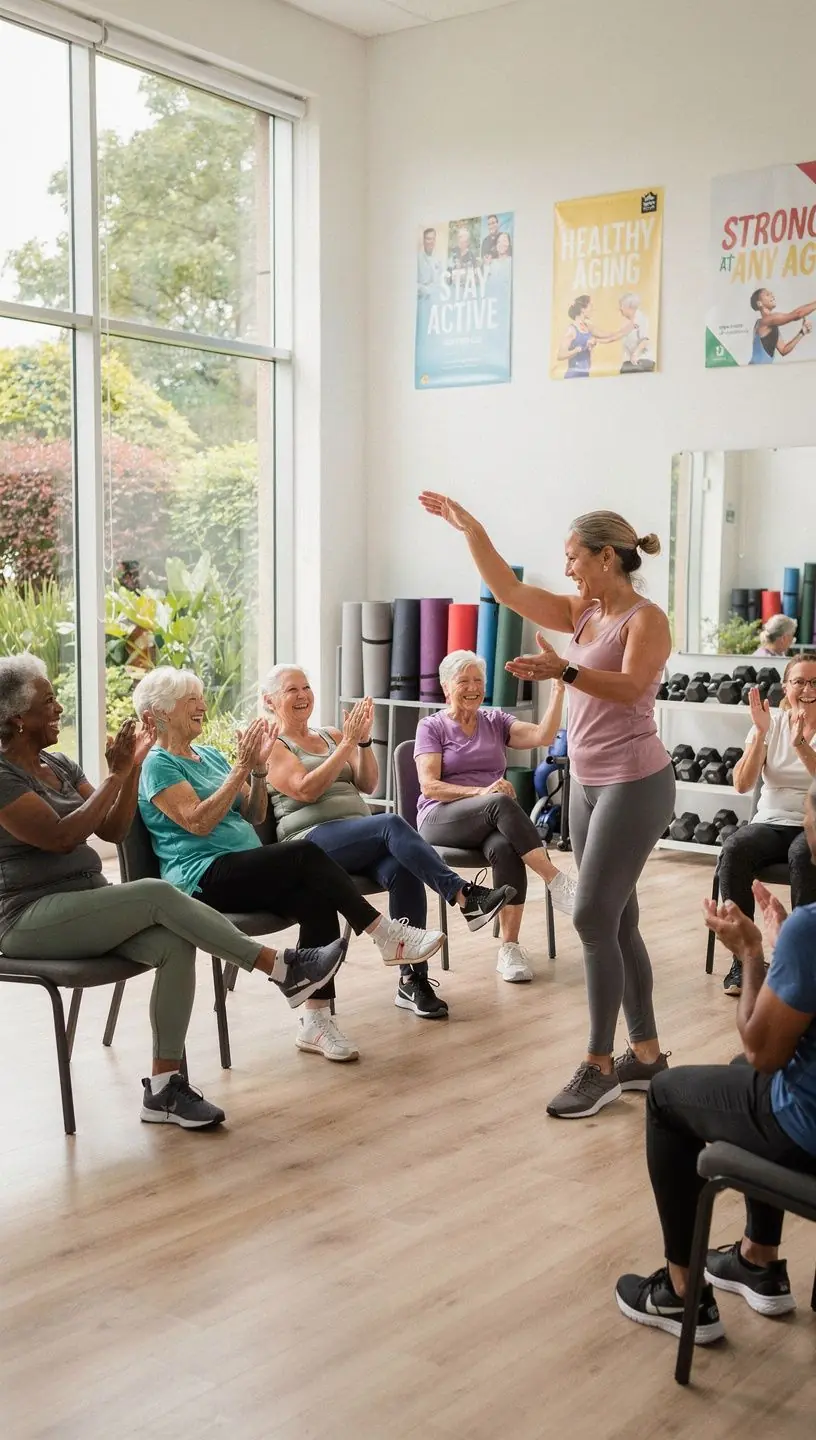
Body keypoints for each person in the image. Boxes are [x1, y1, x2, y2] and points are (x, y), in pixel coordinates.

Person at [0, 655, 345, 1131]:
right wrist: (119, 776)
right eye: (49, 701)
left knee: (174, 942)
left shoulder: (59, 764)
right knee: (156, 894)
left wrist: (131, 769)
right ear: (17, 718)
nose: (59, 707)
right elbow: (62, 836)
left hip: (86, 902)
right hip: (27, 917)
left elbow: (115, 830)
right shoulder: (2, 778)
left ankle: (163, 1089)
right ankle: (280, 967)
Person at [420, 496, 675, 1118]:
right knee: (619, 920)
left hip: (634, 782)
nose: (567, 570)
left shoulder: (645, 619)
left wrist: (565, 673)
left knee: (591, 916)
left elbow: (633, 685)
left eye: (573, 558)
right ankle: (645, 1054)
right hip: (587, 783)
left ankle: (596, 1064)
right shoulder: (582, 615)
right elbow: (506, 587)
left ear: (606, 557)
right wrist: (473, 529)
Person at [133, 667, 449, 1064]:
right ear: (160, 713)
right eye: (190, 700)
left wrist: (258, 770)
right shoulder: (158, 765)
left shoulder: (208, 755)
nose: (202, 705)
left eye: (200, 697)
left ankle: (315, 1022)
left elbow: (254, 813)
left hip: (244, 867)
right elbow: (197, 821)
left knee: (315, 895)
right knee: (304, 854)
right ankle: (383, 932)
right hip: (202, 876)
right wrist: (239, 770)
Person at [615, 805, 816, 1347]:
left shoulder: (812, 928)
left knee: (664, 1095)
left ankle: (682, 1294)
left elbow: (762, 1050)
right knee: (736, 1076)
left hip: (809, 1134)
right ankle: (758, 1259)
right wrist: (790, 952)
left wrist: (754, 953)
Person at [263, 666, 513, 1022]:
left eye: (306, 686)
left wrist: (362, 742)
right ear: (269, 701)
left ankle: (412, 980)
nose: (303, 695)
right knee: (391, 824)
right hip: (310, 845)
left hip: (357, 839)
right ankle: (464, 895)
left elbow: (368, 783)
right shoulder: (272, 746)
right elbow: (306, 789)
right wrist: (348, 744)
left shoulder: (332, 735)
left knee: (403, 868)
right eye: (292, 690)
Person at [413, 650, 576, 986]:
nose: (473, 688)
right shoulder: (432, 726)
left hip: (487, 820)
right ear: (446, 688)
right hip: (440, 818)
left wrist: (559, 689)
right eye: (463, 681)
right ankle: (555, 880)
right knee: (499, 801)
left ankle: (510, 949)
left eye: (478, 681)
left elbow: (543, 736)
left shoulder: (496, 721)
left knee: (504, 845)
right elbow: (429, 786)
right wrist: (481, 792)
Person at [716, 656, 816, 998]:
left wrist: (800, 744)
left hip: (812, 823)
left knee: (803, 855)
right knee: (734, 848)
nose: (807, 689)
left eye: (815, 683)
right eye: (800, 681)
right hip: (770, 821)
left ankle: (800, 962)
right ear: (786, 686)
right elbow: (741, 784)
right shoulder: (769, 722)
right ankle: (744, 961)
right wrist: (760, 733)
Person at [556, 295, 633, 379]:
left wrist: (626, 330)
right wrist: (577, 350)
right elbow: (560, 355)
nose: (593, 309)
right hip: (573, 375)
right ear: (583, 309)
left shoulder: (588, 327)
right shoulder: (571, 330)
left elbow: (608, 335)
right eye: (590, 306)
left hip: (585, 374)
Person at [749, 288, 816, 363]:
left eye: (771, 293)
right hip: (756, 371)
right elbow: (797, 314)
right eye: (767, 294)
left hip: (761, 371)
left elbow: (783, 350)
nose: (772, 295)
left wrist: (802, 333)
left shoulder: (770, 324)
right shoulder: (765, 321)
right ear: (759, 303)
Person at [618, 292, 655, 373]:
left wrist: (635, 354)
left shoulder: (641, 318)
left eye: (622, 306)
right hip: (629, 361)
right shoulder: (626, 322)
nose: (620, 309)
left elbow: (645, 340)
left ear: (630, 307)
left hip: (641, 360)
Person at [417, 227, 442, 301]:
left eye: (433, 239)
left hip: (434, 299)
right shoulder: (418, 258)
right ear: (423, 241)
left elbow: (440, 281)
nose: (431, 241)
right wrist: (423, 289)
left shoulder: (439, 259)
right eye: (428, 239)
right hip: (421, 298)